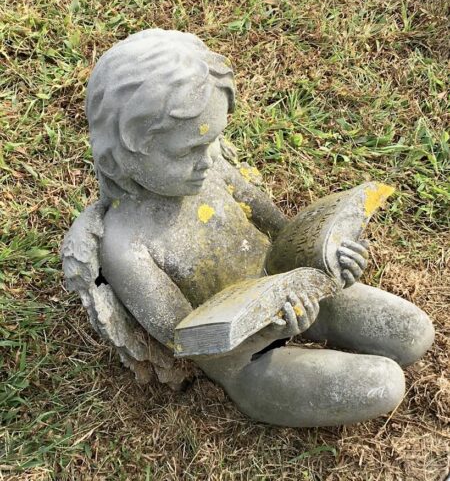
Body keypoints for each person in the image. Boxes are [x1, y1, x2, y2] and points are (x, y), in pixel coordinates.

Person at [80, 29, 434, 426]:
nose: (206, 160)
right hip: (247, 359)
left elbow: (284, 232)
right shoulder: (126, 245)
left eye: (211, 141)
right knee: (383, 384)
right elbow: (190, 342)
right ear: (121, 157)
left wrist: (331, 260)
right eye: (187, 152)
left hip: (292, 288)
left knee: (412, 331)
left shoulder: (212, 169)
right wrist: (268, 332)